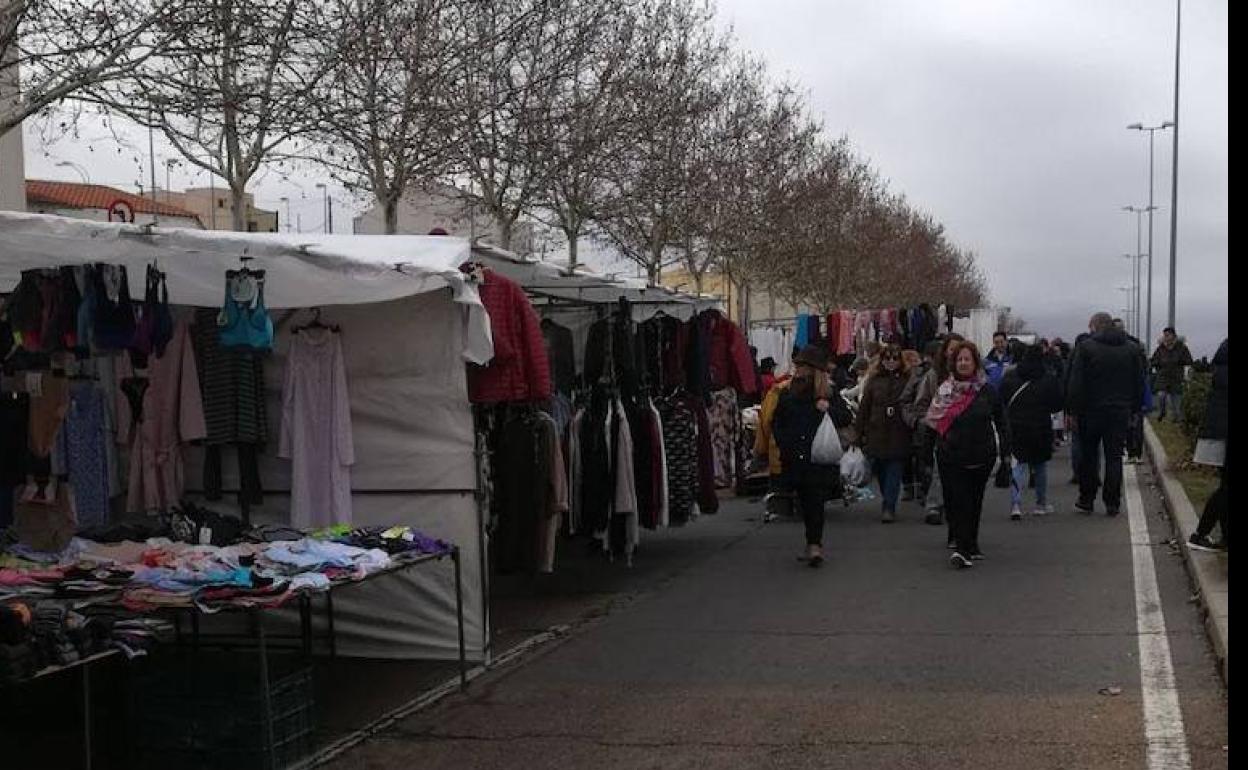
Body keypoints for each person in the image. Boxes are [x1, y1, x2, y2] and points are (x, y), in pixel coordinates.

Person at [925, 341, 1011, 568]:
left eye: (967, 359)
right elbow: (931, 425)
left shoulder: (987, 390)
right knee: (956, 501)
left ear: (975, 363)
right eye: (960, 359)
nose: (963, 363)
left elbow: (1001, 422)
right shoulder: (944, 391)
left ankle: (969, 544)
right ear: (954, 363)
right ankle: (962, 546)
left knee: (974, 500)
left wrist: (1006, 454)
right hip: (950, 455)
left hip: (981, 454)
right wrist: (924, 456)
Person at [772, 345, 851, 567]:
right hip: (795, 455)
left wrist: (827, 409)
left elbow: (845, 418)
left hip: (818, 457)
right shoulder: (787, 393)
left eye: (803, 366)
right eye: (798, 366)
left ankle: (815, 544)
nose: (799, 370)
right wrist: (784, 444)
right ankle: (811, 543)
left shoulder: (827, 392)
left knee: (815, 500)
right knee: (805, 501)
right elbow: (778, 422)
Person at [1067, 312, 1144, 516]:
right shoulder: (1132, 349)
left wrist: (1072, 411)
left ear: (1094, 326)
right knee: (1114, 456)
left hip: (1091, 410)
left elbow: (1077, 382)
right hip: (1120, 411)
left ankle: (1087, 499)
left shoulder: (1086, 348)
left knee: (1089, 456)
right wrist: (1135, 409)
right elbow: (1139, 382)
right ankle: (1112, 502)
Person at [904, 335, 964, 530]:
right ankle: (934, 506)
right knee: (939, 468)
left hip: (966, 431)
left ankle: (953, 504)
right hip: (939, 429)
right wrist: (927, 420)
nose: (954, 353)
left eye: (959, 349)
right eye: (951, 349)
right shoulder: (933, 375)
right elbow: (920, 403)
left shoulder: (972, 377)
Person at [1000, 345, 1065, 519]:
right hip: (1041, 426)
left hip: (1017, 426)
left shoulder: (1011, 376)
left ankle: (1016, 504)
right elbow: (1058, 404)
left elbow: (1002, 399)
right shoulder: (1048, 378)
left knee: (1018, 464)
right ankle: (1040, 504)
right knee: (1040, 465)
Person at [854, 343, 914, 523]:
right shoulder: (874, 380)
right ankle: (887, 499)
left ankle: (889, 506)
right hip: (876, 431)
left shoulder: (907, 379)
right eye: (887, 358)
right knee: (880, 469)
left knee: (895, 469)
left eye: (895, 358)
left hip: (899, 431)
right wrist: (858, 431)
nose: (891, 361)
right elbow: (864, 407)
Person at [1189, 338, 1227, 552]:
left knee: (1225, 487)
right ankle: (1200, 534)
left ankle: (1223, 538)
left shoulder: (1220, 369)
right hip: (1224, 432)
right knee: (1225, 490)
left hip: (1219, 432)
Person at [1151, 327, 1194, 423]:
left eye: (1168, 335)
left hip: (1176, 378)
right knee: (1161, 395)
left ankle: (1176, 420)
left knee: (1176, 404)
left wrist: (1179, 362)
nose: (1166, 337)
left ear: (1173, 336)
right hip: (1163, 376)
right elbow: (1153, 360)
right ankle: (1162, 412)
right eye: (1164, 335)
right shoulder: (1160, 348)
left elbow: (1189, 361)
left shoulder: (1182, 348)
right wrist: (1158, 364)